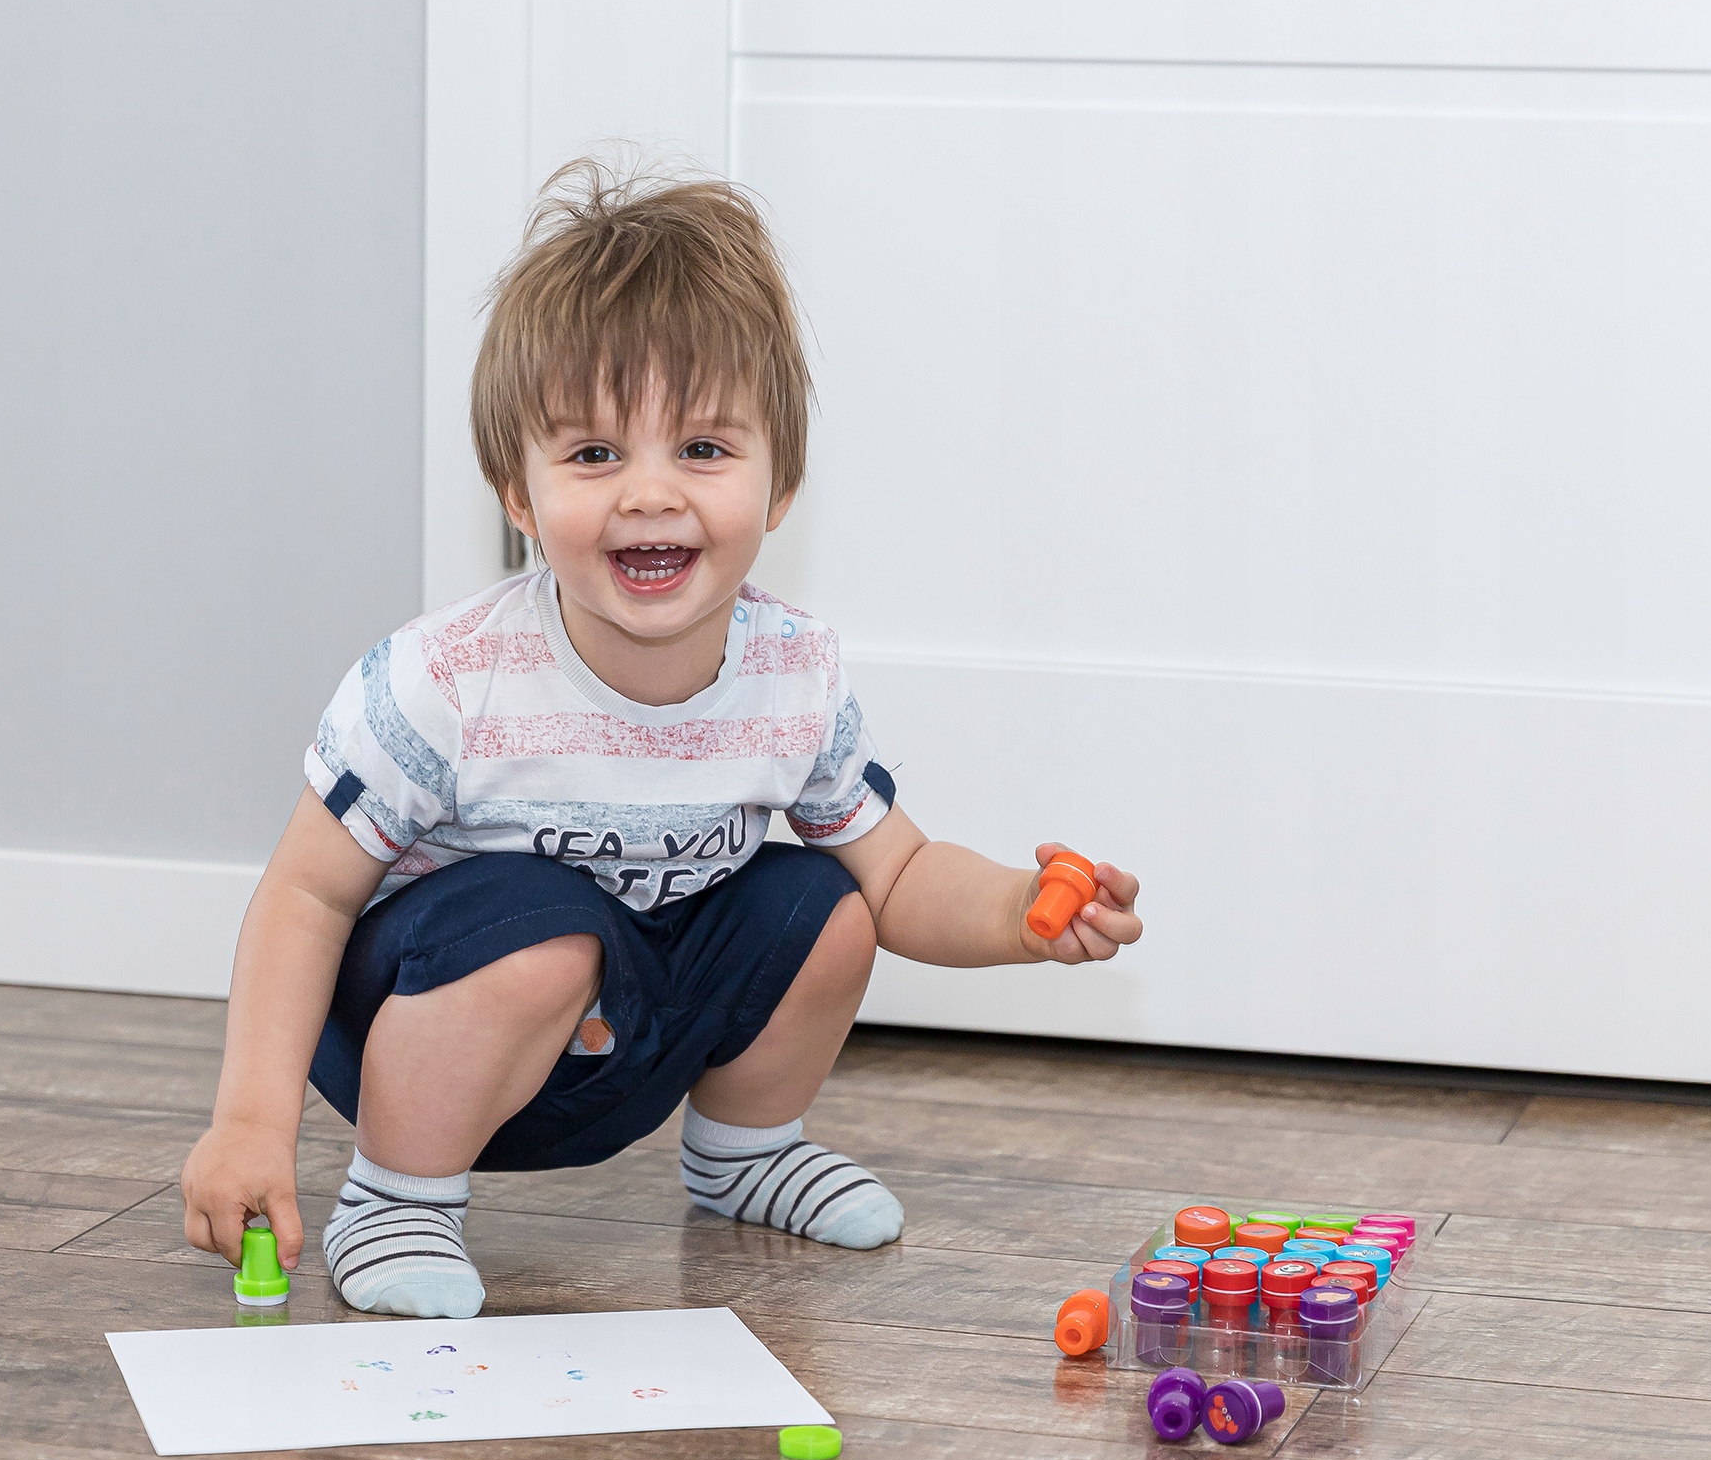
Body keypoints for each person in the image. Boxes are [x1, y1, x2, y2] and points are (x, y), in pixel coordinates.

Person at [180, 160, 1142, 1318]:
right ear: (518, 496)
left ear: (779, 482)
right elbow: (305, 897)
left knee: (821, 904)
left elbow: (897, 874)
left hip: (631, 1025)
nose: (649, 493)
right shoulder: (446, 679)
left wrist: (1021, 913)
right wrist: (249, 1119)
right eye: (593, 454)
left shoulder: (792, 672)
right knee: (551, 929)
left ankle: (745, 1153)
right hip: (434, 1018)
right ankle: (397, 1196)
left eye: (701, 448)